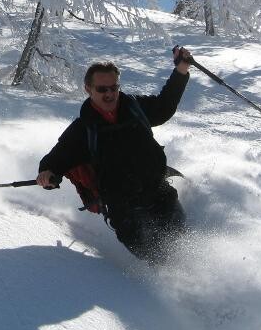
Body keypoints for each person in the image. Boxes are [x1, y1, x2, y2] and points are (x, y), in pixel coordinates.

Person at [36, 46, 193, 263]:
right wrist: (47, 174)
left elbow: (164, 107)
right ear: (88, 89)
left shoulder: (134, 108)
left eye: (114, 87)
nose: (109, 94)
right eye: (102, 89)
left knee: (184, 247)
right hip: (124, 210)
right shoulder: (83, 130)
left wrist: (181, 71)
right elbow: (55, 160)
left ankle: (207, 292)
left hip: (159, 194)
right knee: (159, 259)